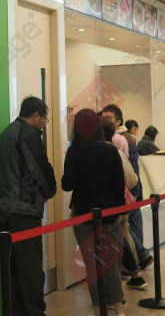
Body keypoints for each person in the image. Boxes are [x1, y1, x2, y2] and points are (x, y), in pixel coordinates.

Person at [0, 96, 57, 316]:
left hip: (3, 209)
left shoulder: (8, 132)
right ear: (36, 115)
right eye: (44, 119)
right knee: (30, 268)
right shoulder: (28, 134)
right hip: (23, 210)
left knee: (12, 269)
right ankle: (35, 312)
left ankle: (16, 311)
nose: (43, 124)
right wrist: (49, 191)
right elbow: (39, 168)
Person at [62, 109, 126, 316]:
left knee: (91, 265)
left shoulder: (74, 152)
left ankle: (98, 309)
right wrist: (118, 208)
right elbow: (119, 185)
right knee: (110, 264)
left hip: (83, 215)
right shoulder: (111, 151)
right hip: (110, 214)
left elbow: (67, 184)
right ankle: (119, 310)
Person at [103, 105, 153, 271]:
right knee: (131, 227)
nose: (104, 121)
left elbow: (125, 170)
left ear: (118, 121)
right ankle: (139, 259)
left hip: (125, 190)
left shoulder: (116, 140)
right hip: (131, 189)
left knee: (125, 229)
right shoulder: (128, 138)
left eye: (108, 118)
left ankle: (137, 260)